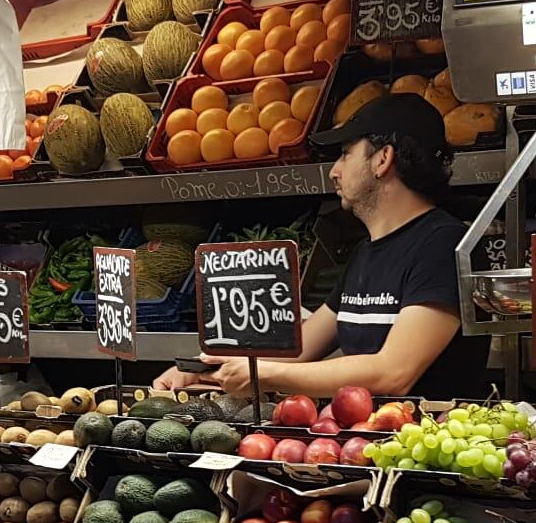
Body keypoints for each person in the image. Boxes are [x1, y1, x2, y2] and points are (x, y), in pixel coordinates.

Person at [154, 92, 485, 399]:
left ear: (383, 159)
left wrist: (264, 374)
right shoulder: (365, 253)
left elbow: (393, 373)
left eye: (345, 154)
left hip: (425, 452)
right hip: (360, 445)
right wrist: (200, 370)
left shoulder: (443, 245)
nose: (334, 172)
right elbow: (298, 350)